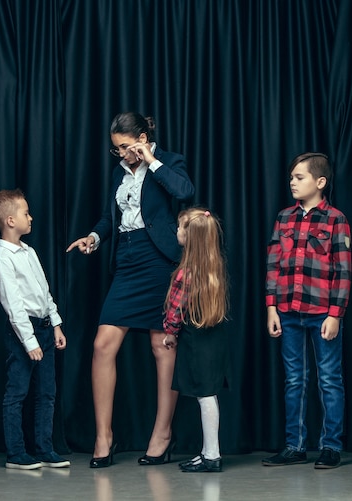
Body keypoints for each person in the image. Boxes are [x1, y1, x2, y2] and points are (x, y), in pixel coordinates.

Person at [67, 112, 195, 468]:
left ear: (141, 137)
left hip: (160, 260)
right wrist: (94, 237)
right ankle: (103, 436)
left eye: (125, 146)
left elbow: (185, 192)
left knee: (161, 344)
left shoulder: (169, 161)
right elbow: (112, 218)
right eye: (116, 149)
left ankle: (162, 434)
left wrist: (151, 160)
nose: (121, 154)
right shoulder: (118, 172)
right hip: (126, 258)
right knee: (102, 344)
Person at [262, 152, 352, 469]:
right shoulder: (284, 218)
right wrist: (271, 307)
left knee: (328, 379)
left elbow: (342, 272)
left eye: (299, 178)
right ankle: (294, 445)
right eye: (291, 178)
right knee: (294, 380)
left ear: (320, 182)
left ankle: (330, 446)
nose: (292, 183)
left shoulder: (335, 220)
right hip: (287, 311)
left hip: (321, 312)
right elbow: (273, 265)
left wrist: (335, 314)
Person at [0, 189, 69, 470]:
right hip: (24, 332)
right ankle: (16, 453)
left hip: (45, 328)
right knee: (17, 393)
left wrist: (56, 323)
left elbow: (44, 292)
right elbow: (14, 306)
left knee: (47, 392)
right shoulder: (3, 259)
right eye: (25, 213)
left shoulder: (29, 251)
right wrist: (29, 341)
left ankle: (45, 449)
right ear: (10, 220)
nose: (30, 217)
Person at [163, 208, 230, 473]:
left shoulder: (186, 273)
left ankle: (212, 455)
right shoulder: (214, 268)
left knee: (205, 396)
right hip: (213, 341)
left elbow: (175, 310)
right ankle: (207, 452)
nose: (177, 231)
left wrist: (170, 332)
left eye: (180, 228)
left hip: (196, 341)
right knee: (208, 394)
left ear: (191, 237)